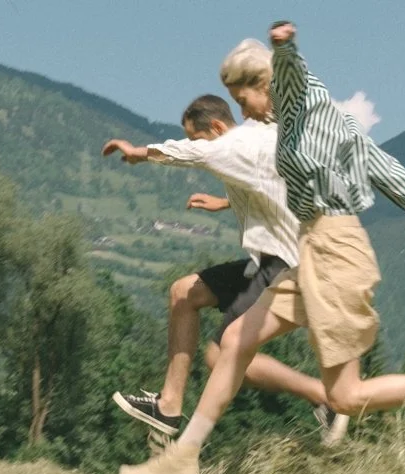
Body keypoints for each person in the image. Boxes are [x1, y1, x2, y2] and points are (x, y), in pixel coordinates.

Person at [120, 26, 405, 474]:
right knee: (233, 343)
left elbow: (374, 161)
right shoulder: (288, 133)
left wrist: (285, 50)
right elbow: (351, 172)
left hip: (336, 253)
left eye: (244, 100)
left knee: (345, 396)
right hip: (310, 250)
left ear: (267, 87)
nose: (243, 111)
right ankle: (184, 456)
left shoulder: (312, 114)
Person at [101, 93, 347, 444]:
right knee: (183, 292)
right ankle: (168, 407)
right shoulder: (245, 147)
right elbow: (262, 182)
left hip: (286, 265)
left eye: (197, 138)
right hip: (265, 261)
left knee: (219, 357)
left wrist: (141, 153)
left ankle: (326, 398)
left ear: (217, 127)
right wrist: (224, 202)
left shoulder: (236, 145)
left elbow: (197, 154)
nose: (196, 146)